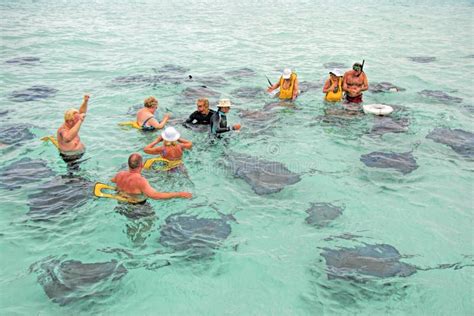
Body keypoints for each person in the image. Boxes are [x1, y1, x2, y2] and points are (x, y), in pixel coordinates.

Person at [111, 153, 192, 203]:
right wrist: (179, 194)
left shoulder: (119, 174)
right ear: (142, 165)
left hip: (121, 203)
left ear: (128, 165)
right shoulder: (140, 180)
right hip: (136, 207)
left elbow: (112, 181)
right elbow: (155, 196)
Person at [57, 95, 89, 163]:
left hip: (80, 153)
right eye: (76, 119)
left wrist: (85, 101)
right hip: (70, 157)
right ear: (69, 121)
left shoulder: (73, 124)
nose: (77, 121)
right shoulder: (62, 130)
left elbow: (82, 112)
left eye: (78, 119)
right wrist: (80, 121)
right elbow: (67, 138)